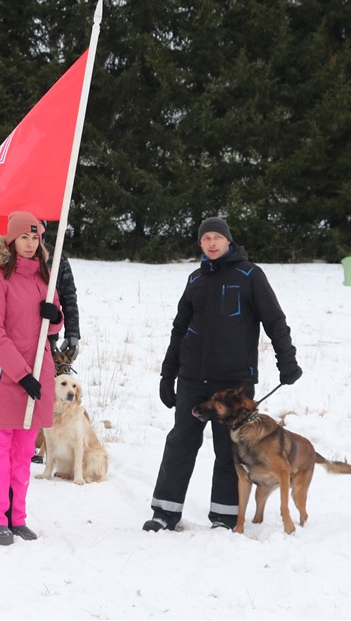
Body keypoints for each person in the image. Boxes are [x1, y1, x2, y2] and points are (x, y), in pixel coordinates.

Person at [143, 216, 302, 533]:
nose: (212, 243)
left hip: (234, 383)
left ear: (229, 241)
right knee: (180, 442)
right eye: (206, 239)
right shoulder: (194, 280)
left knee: (229, 449)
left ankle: (225, 517)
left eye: (217, 237)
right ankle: (165, 512)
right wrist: (167, 374)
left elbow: (274, 320)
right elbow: (179, 330)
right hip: (192, 377)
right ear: (200, 244)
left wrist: (287, 360)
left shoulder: (250, 275)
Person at [0, 211, 63, 545]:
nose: (30, 244)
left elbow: (53, 324)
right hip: (4, 378)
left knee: (24, 451)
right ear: (11, 240)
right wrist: (21, 374)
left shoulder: (44, 278)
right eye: (24, 237)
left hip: (36, 376)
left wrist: (54, 317)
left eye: (35, 237)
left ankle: (16, 517)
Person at [41, 228, 81, 361]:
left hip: (48, 338)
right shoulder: (7, 257)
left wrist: (72, 333)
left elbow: (68, 296)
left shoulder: (56, 256)